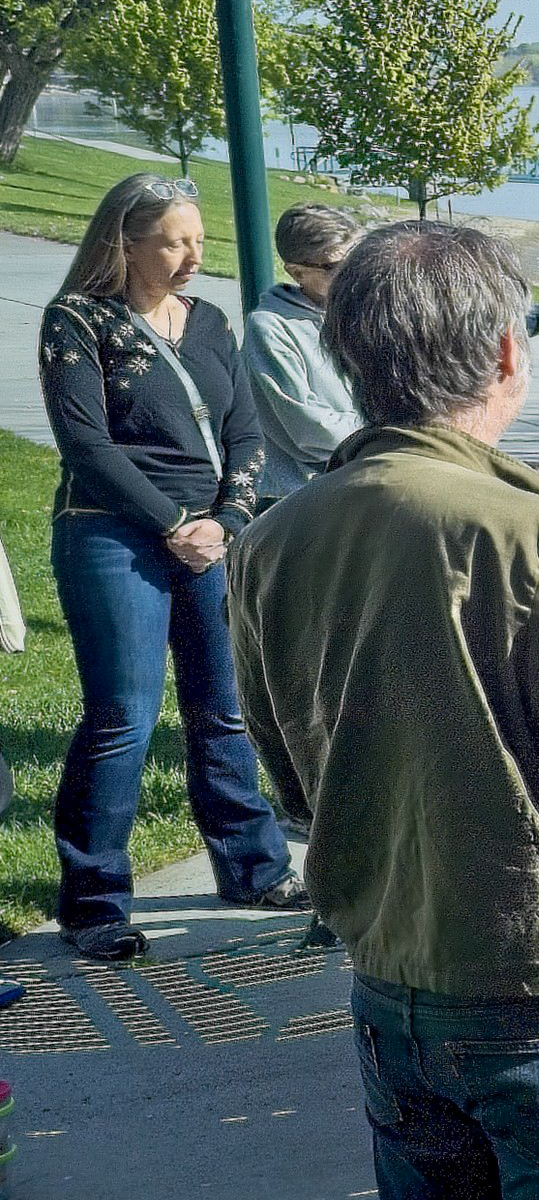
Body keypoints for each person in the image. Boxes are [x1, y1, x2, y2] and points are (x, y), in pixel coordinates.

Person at [229, 220, 539, 1198]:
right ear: (508, 351)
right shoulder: (527, 530)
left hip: (388, 987)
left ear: (347, 352)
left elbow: (290, 777)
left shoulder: (273, 540)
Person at [37, 173, 302, 962]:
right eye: (174, 241)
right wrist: (173, 522)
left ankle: (253, 869)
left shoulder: (212, 320)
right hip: (111, 535)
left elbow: (248, 436)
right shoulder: (78, 321)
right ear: (124, 242)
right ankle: (93, 904)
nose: (193, 256)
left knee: (224, 708)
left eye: (199, 240)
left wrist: (224, 521)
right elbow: (86, 446)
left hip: (210, 540)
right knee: (122, 717)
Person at [244, 203, 364, 504]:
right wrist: (388, 428)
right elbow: (311, 430)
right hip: (300, 499)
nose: (354, 273)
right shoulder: (270, 328)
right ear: (297, 272)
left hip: (363, 482)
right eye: (337, 266)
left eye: (359, 258)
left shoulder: (363, 313)